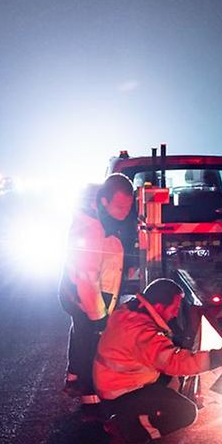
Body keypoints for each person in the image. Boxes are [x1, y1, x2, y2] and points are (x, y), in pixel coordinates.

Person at [93, 278, 222, 444]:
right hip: (120, 392)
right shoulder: (142, 332)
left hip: (113, 382)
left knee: (172, 382)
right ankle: (127, 427)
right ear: (159, 307)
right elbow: (175, 362)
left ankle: (132, 417)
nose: (175, 314)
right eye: (174, 308)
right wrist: (219, 357)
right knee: (186, 412)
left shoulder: (129, 312)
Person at [58, 173, 136, 417]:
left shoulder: (105, 220)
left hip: (85, 293)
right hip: (84, 295)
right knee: (92, 341)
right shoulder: (91, 227)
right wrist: (98, 316)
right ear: (103, 202)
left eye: (129, 205)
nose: (126, 211)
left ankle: (75, 378)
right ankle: (90, 401)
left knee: (82, 334)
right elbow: (86, 276)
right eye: (120, 206)